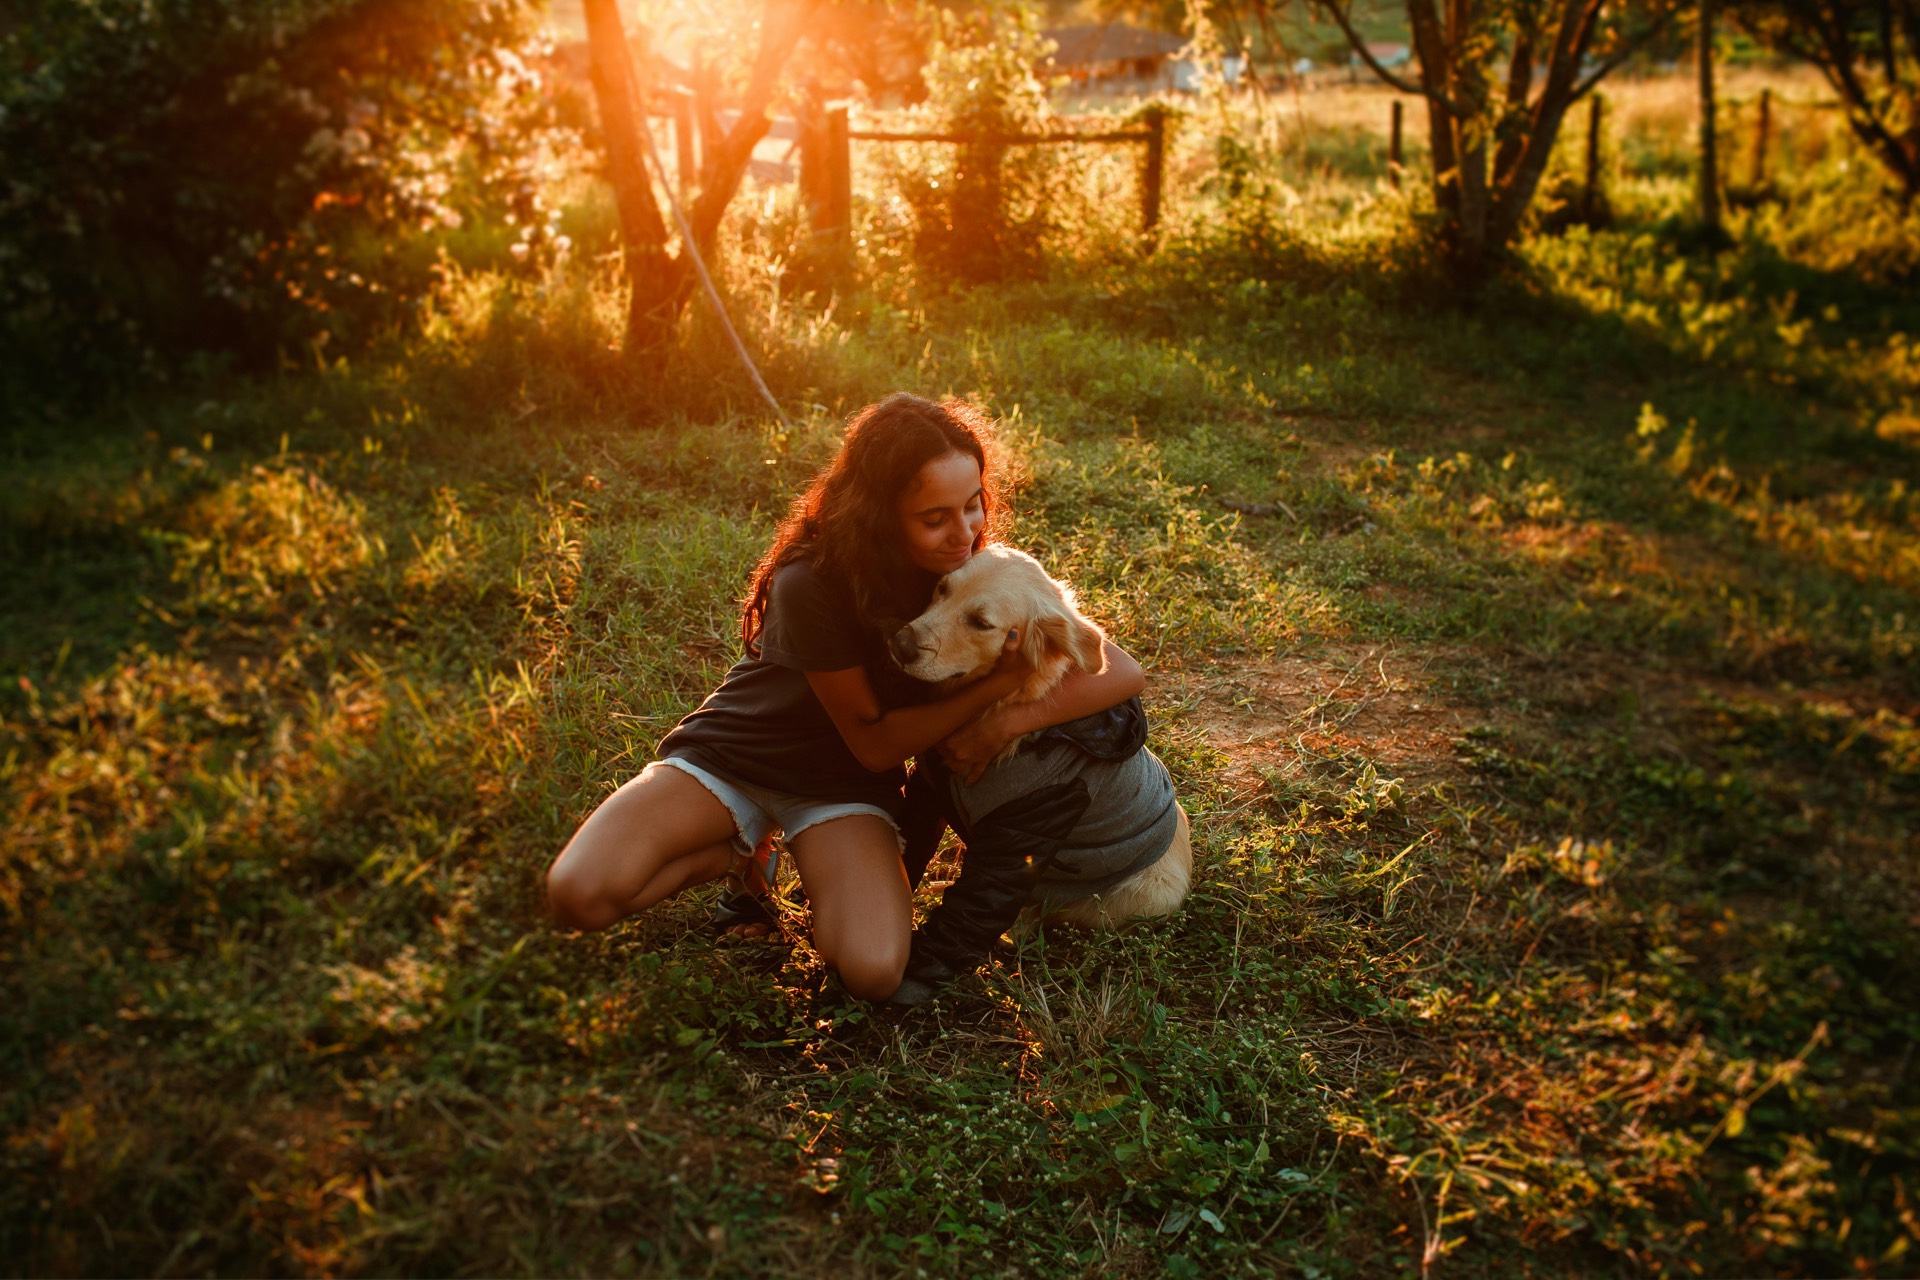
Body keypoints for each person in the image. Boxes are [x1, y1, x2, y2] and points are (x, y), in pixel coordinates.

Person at [545, 393, 1145, 1000]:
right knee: (579, 895)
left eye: (973, 505)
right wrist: (998, 684)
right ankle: (739, 854)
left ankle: (750, 856)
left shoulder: (970, 570)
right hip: (743, 751)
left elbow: (1118, 669)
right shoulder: (811, 582)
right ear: (881, 512)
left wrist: (1001, 725)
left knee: (873, 971)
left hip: (842, 791)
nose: (963, 534)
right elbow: (876, 744)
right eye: (934, 517)